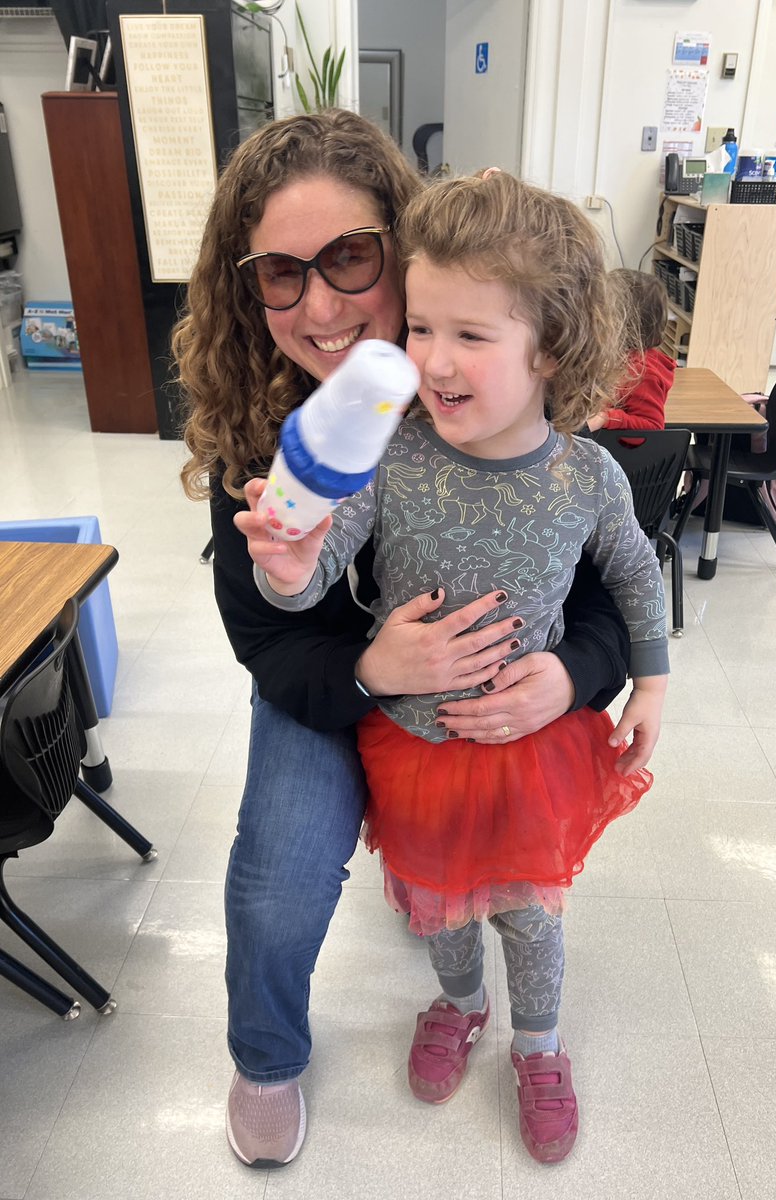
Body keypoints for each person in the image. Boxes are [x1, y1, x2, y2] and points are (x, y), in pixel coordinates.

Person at [174, 110, 631, 1171]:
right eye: (281, 274)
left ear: (409, 248)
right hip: (329, 687)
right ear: (249, 288)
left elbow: (610, 586)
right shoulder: (261, 428)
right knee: (276, 883)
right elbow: (264, 641)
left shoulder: (499, 378)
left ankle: (518, 1023)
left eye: (349, 258)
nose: (322, 305)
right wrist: (370, 669)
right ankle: (266, 1053)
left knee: (502, 884)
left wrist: (568, 679)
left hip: (492, 701)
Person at [587, 268, 675, 432]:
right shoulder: (617, 355)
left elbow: (652, 427)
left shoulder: (643, 372)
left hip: (618, 453)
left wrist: (606, 417)